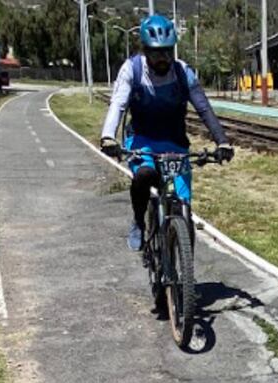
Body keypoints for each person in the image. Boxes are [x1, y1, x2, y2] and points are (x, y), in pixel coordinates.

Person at [99, 14, 234, 251]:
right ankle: (139, 221)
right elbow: (118, 104)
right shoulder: (133, 69)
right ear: (144, 50)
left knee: (184, 209)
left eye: (166, 52)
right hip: (142, 140)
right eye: (155, 52)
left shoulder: (182, 72)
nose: (162, 58)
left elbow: (203, 108)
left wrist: (222, 141)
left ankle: (184, 279)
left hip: (175, 141)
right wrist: (108, 136)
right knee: (144, 175)